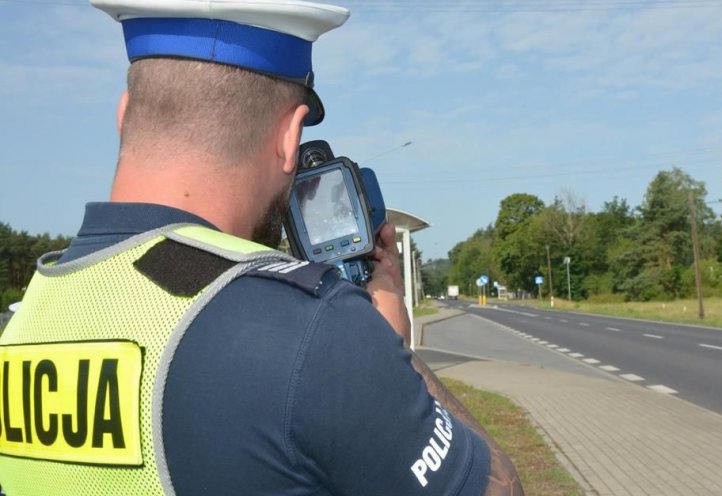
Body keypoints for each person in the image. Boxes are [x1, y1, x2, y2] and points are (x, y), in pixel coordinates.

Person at [0, 1, 523, 495]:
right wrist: (395, 356)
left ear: (123, 114)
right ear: (289, 139)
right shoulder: (316, 333)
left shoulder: (28, 318)